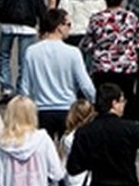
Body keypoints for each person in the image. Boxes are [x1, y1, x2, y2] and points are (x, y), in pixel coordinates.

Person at [20, 8, 97, 138]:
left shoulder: (32, 51)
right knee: (66, 151)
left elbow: (25, 85)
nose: (69, 28)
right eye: (68, 24)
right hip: (67, 108)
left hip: (41, 109)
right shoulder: (73, 52)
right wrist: (94, 101)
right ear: (59, 27)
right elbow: (85, 84)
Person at [0, 0, 47, 100]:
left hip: (8, 21)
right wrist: (43, 21)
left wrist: (0, 15)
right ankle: (22, 89)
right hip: (28, 23)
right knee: (24, 59)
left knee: (4, 55)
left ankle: (6, 87)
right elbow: (39, 3)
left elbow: (0, 0)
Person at [84, 0, 139, 103]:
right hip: (126, 67)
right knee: (126, 102)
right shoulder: (131, 18)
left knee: (103, 102)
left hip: (103, 67)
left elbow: (87, 44)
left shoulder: (97, 18)